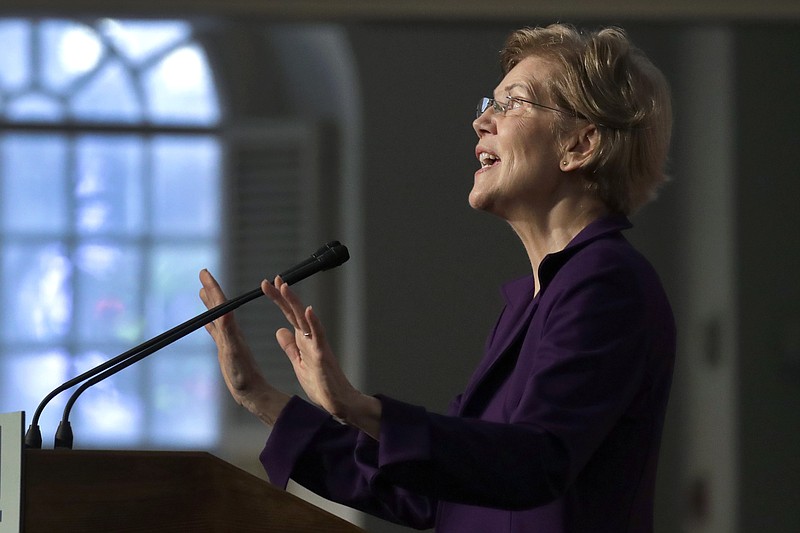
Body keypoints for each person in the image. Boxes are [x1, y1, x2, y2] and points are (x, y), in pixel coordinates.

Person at [199, 23, 675, 533]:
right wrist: (260, 396)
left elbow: (536, 461)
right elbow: (430, 495)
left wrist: (363, 409)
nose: (482, 123)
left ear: (580, 145)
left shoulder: (606, 282)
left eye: (512, 103)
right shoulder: (533, 301)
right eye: (486, 105)